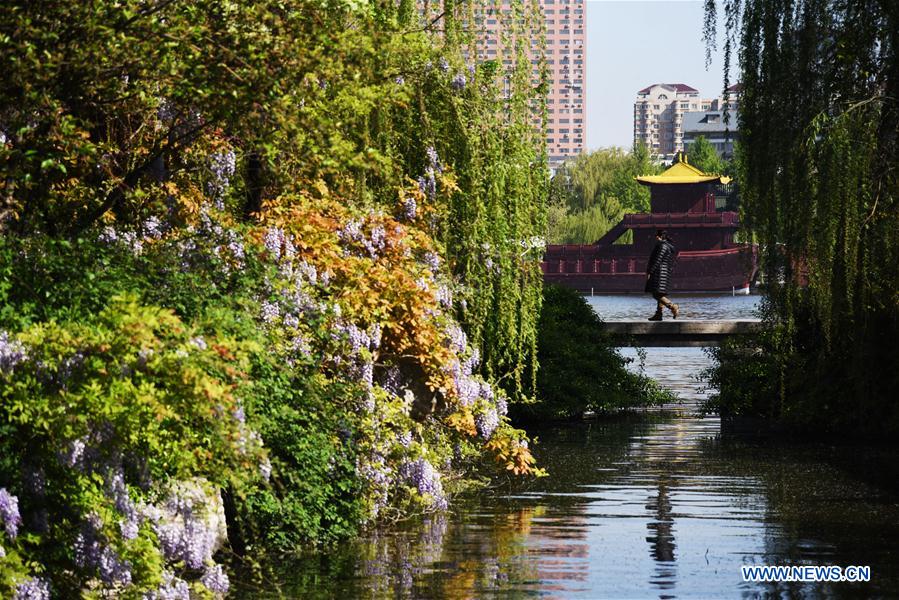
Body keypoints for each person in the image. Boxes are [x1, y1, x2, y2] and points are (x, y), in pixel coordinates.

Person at [645, 229, 679, 321]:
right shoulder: (667, 246)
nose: (655, 238)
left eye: (656, 236)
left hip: (659, 272)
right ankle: (658, 314)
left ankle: (672, 306)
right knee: (659, 293)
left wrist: (650, 272)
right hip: (664, 272)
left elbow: (657, 260)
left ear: (658, 236)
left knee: (656, 294)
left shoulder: (662, 246)